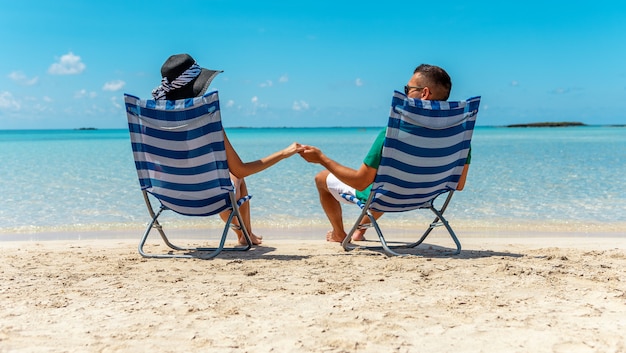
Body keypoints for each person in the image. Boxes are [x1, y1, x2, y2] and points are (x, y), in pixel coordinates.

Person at [153, 53, 301, 245]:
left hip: (169, 196)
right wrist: (284, 153)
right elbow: (240, 169)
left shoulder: (153, 122)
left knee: (221, 182)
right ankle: (244, 235)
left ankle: (245, 234)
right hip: (208, 199)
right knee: (236, 177)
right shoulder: (205, 120)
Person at [299, 64, 453, 243]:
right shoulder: (458, 134)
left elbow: (360, 182)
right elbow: (459, 184)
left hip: (390, 195)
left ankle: (339, 233)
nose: (406, 93)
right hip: (424, 196)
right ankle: (359, 231)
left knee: (322, 178)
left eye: (408, 89)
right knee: (390, 182)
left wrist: (321, 159)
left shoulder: (392, 134)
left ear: (424, 93)